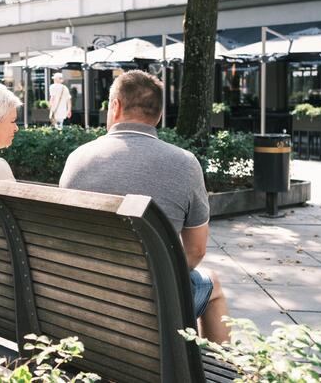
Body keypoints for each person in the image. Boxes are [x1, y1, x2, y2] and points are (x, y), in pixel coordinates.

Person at [59, 70, 230, 343]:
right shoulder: (185, 163)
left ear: (114, 107)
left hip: (84, 292)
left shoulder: (77, 158)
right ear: (159, 115)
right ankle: (218, 371)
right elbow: (196, 250)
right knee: (212, 284)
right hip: (153, 302)